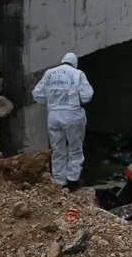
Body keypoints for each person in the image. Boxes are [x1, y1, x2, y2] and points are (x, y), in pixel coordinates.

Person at [31, 52, 94, 191]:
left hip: (53, 115)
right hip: (72, 115)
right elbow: (87, 96)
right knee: (75, 147)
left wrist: (51, 104)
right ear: (74, 62)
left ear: (62, 61)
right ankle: (73, 181)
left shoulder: (49, 73)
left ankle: (60, 181)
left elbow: (37, 94)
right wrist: (79, 102)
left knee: (57, 148)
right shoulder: (78, 74)